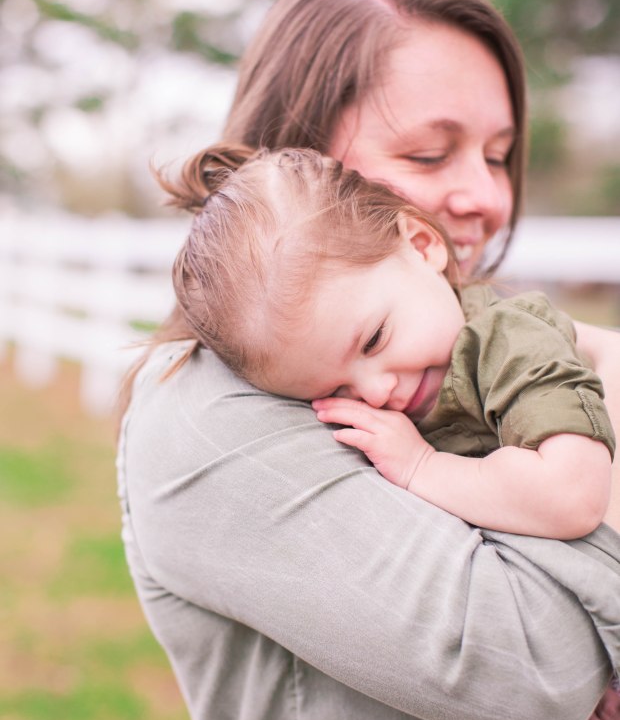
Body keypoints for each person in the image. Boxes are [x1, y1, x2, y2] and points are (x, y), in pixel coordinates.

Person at [118, 0, 620, 720]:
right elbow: (531, 666)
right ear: (297, 159)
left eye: (499, 155)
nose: (488, 196)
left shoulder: (465, 353)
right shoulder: (212, 413)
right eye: (430, 154)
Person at [161, 143, 615, 540]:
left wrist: (423, 467)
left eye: (374, 340)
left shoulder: (509, 340)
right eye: (336, 392)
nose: (376, 394)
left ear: (421, 246)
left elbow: (571, 496)